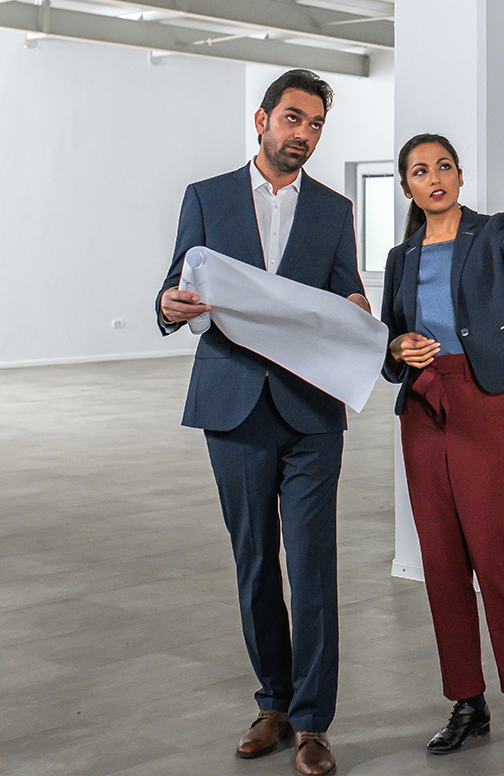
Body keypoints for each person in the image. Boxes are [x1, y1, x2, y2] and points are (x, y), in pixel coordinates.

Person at [156, 69, 369, 776]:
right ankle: (273, 705)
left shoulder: (335, 211)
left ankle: (312, 723)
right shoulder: (207, 198)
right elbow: (173, 285)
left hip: (311, 409)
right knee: (254, 566)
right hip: (234, 403)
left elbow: (346, 287)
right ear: (262, 119)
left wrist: (357, 307)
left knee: (312, 568)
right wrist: (168, 306)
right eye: (293, 120)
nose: (302, 135)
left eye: (314, 126)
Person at [380, 119, 504, 756]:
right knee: (441, 563)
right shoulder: (401, 257)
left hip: (483, 399)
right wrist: (399, 347)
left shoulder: (493, 233)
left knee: (493, 552)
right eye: (420, 171)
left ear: (459, 175)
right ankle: (466, 702)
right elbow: (389, 342)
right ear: (406, 187)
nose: (434, 179)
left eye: (444, 167)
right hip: (422, 409)